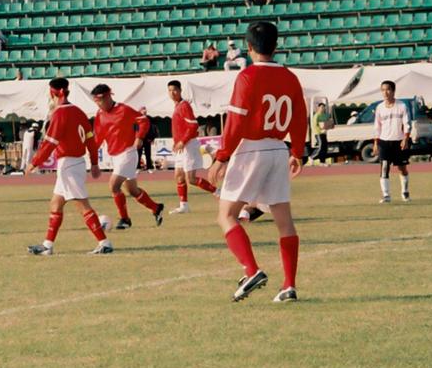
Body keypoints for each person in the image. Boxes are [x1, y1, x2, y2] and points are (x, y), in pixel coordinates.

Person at [206, 20, 308, 303]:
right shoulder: (290, 77)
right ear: (276, 46)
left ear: (249, 48)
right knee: (284, 222)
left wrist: (222, 156)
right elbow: (300, 117)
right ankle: (289, 285)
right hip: (278, 149)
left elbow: (236, 120)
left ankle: (251, 270)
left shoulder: (248, 76)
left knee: (226, 216)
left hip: (251, 149)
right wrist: (296, 151)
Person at [26, 78, 112, 256]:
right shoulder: (78, 112)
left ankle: (104, 242)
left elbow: (50, 143)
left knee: (82, 205)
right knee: (56, 204)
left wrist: (34, 162)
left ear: (52, 94)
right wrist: (94, 163)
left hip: (68, 164)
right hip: (76, 163)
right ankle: (47, 245)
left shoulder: (59, 114)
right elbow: (91, 140)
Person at [90, 84, 164, 230]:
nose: (98, 104)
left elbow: (144, 120)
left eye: (100, 100)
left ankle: (125, 219)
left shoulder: (123, 109)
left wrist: (139, 137)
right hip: (114, 155)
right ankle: (156, 208)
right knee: (132, 190)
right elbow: (98, 135)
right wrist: (91, 150)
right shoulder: (99, 114)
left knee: (113, 186)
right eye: (96, 101)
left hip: (127, 153)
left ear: (108, 96)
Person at [167, 79, 217, 214]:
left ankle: (217, 192)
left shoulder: (184, 106)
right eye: (170, 90)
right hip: (182, 146)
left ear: (180, 91)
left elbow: (193, 125)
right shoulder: (177, 106)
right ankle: (184, 205)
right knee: (178, 175)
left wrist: (182, 141)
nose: (172, 93)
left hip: (188, 145)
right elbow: (180, 127)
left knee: (192, 179)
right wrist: (176, 142)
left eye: (175, 90)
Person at [373, 81, 412, 203]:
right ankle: (386, 195)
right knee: (384, 167)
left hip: (399, 141)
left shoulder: (401, 106)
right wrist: (375, 142)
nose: (385, 92)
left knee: (402, 168)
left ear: (393, 91)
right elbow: (377, 126)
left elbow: (407, 123)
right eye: (383, 90)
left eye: (388, 89)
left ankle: (405, 192)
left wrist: (406, 138)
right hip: (384, 141)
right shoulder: (379, 107)